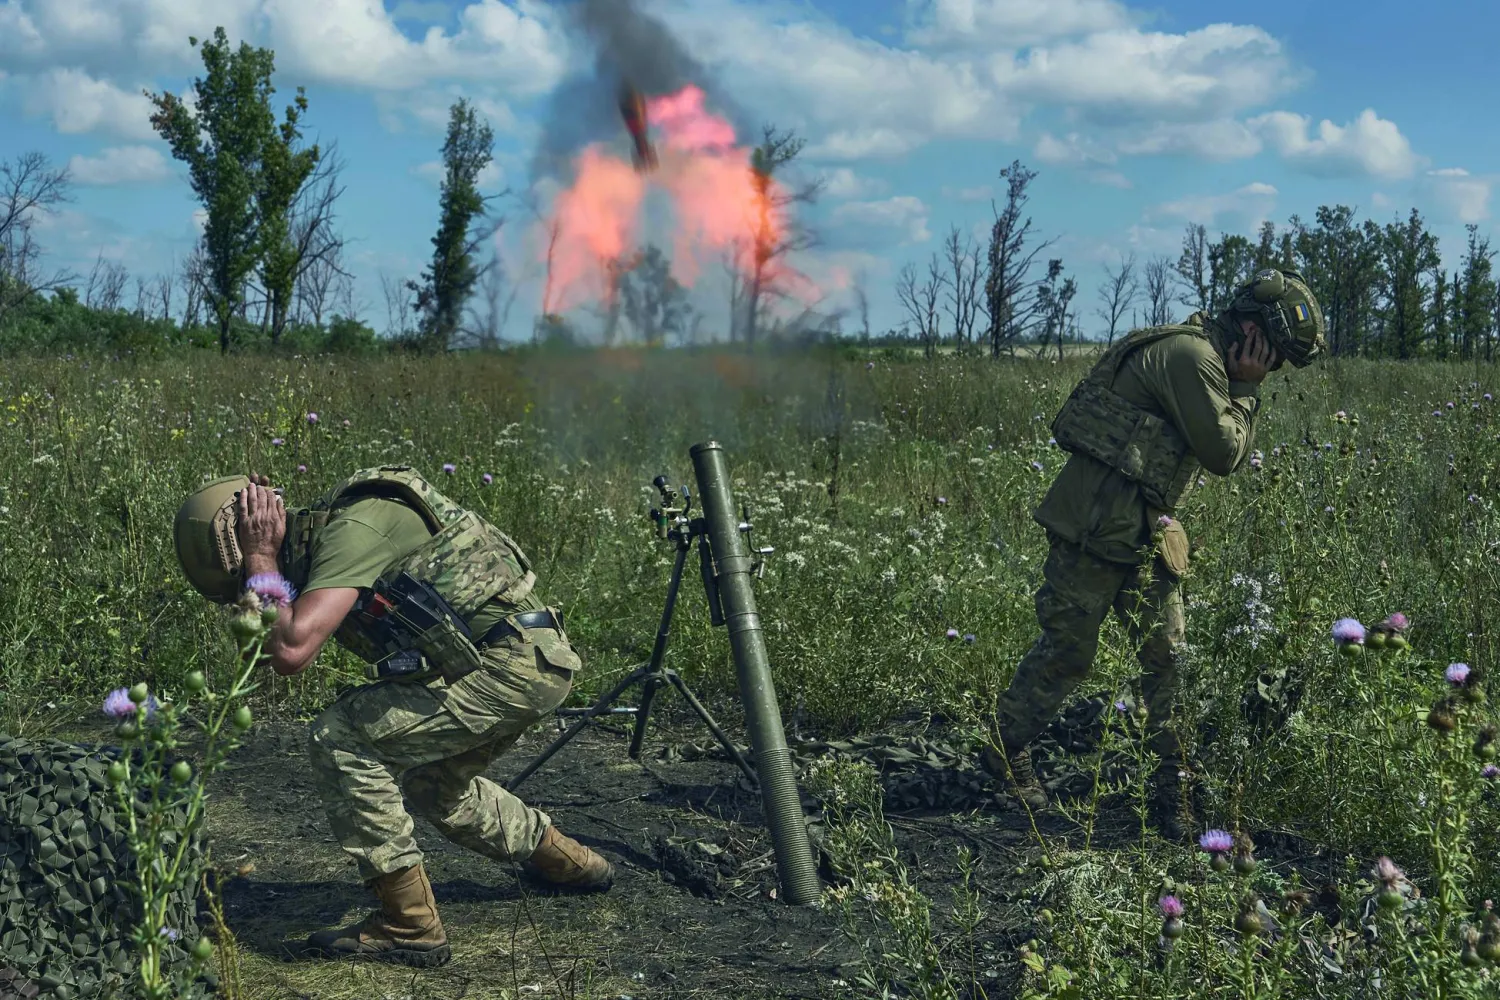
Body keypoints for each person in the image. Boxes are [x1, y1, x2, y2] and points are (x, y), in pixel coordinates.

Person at [173, 464, 614, 968]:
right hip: (516, 664)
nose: (251, 593)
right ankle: (574, 865)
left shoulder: (351, 530)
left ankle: (410, 924)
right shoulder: (330, 546)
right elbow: (274, 650)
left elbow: (292, 651)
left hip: (510, 663)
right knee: (436, 788)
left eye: (244, 585)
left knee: (341, 734)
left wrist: (258, 556)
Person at [983, 268, 1326, 838]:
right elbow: (1223, 451)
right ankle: (1005, 748)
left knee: (1169, 660)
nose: (1275, 368)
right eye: (1276, 355)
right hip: (1094, 530)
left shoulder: (1205, 357)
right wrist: (1245, 390)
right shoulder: (1191, 358)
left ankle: (1174, 793)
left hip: (1145, 533)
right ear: (1252, 330)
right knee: (1069, 651)